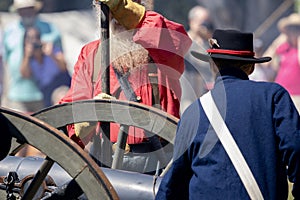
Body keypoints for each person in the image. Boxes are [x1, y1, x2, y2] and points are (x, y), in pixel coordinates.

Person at [156, 29, 300, 199]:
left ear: (212, 64)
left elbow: (175, 179)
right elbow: (295, 148)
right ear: (251, 67)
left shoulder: (193, 112)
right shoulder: (272, 96)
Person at [58, 0, 192, 174]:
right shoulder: (91, 54)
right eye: (112, 11)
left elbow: (176, 39)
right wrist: (87, 117)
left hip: (158, 165)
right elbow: (67, 117)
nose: (118, 18)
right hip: (106, 161)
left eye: (124, 8)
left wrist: (123, 8)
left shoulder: (159, 48)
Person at [2, 0, 63, 114]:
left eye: (29, 8)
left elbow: (62, 62)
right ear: (18, 11)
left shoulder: (50, 29)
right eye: (22, 9)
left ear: (35, 9)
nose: (26, 12)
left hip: (46, 93)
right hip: (17, 94)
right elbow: (5, 62)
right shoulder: (9, 31)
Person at [20, 27, 70, 107]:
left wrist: (51, 54)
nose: (33, 41)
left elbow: (64, 67)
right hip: (47, 92)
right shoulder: (29, 59)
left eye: (36, 37)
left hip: (61, 86)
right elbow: (25, 75)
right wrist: (27, 56)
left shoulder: (50, 48)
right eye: (30, 39)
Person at [180, 5, 214, 114]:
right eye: (202, 22)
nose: (205, 26)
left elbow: (209, 65)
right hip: (186, 94)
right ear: (192, 21)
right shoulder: (184, 39)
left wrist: (208, 39)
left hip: (203, 94)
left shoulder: (207, 43)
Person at [263, 13, 300, 112]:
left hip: (297, 95)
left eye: (296, 29)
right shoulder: (285, 48)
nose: (292, 32)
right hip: (281, 93)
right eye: (290, 29)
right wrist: (276, 43)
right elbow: (265, 62)